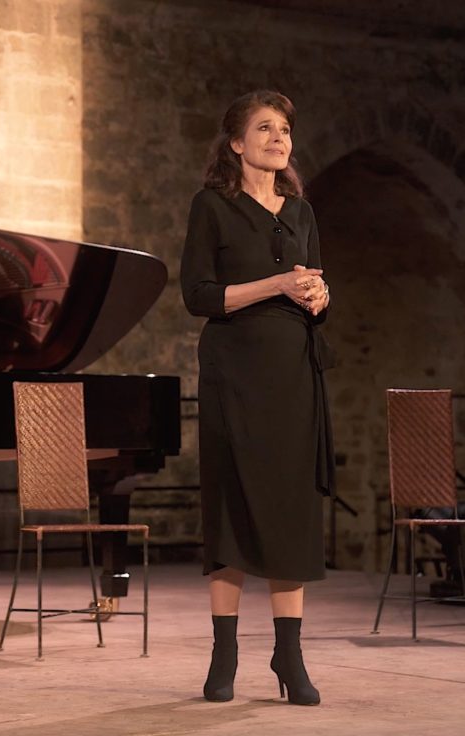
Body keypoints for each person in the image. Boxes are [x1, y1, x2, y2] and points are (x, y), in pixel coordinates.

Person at [180, 90, 333, 707]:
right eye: (264, 128)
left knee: (290, 510)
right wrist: (277, 282)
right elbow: (199, 295)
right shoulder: (212, 206)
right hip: (233, 373)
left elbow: (317, 282)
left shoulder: (300, 211)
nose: (279, 137)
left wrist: (321, 298)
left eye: (286, 129)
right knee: (231, 505)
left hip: (292, 374)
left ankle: (289, 655)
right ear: (237, 143)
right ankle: (224, 654)